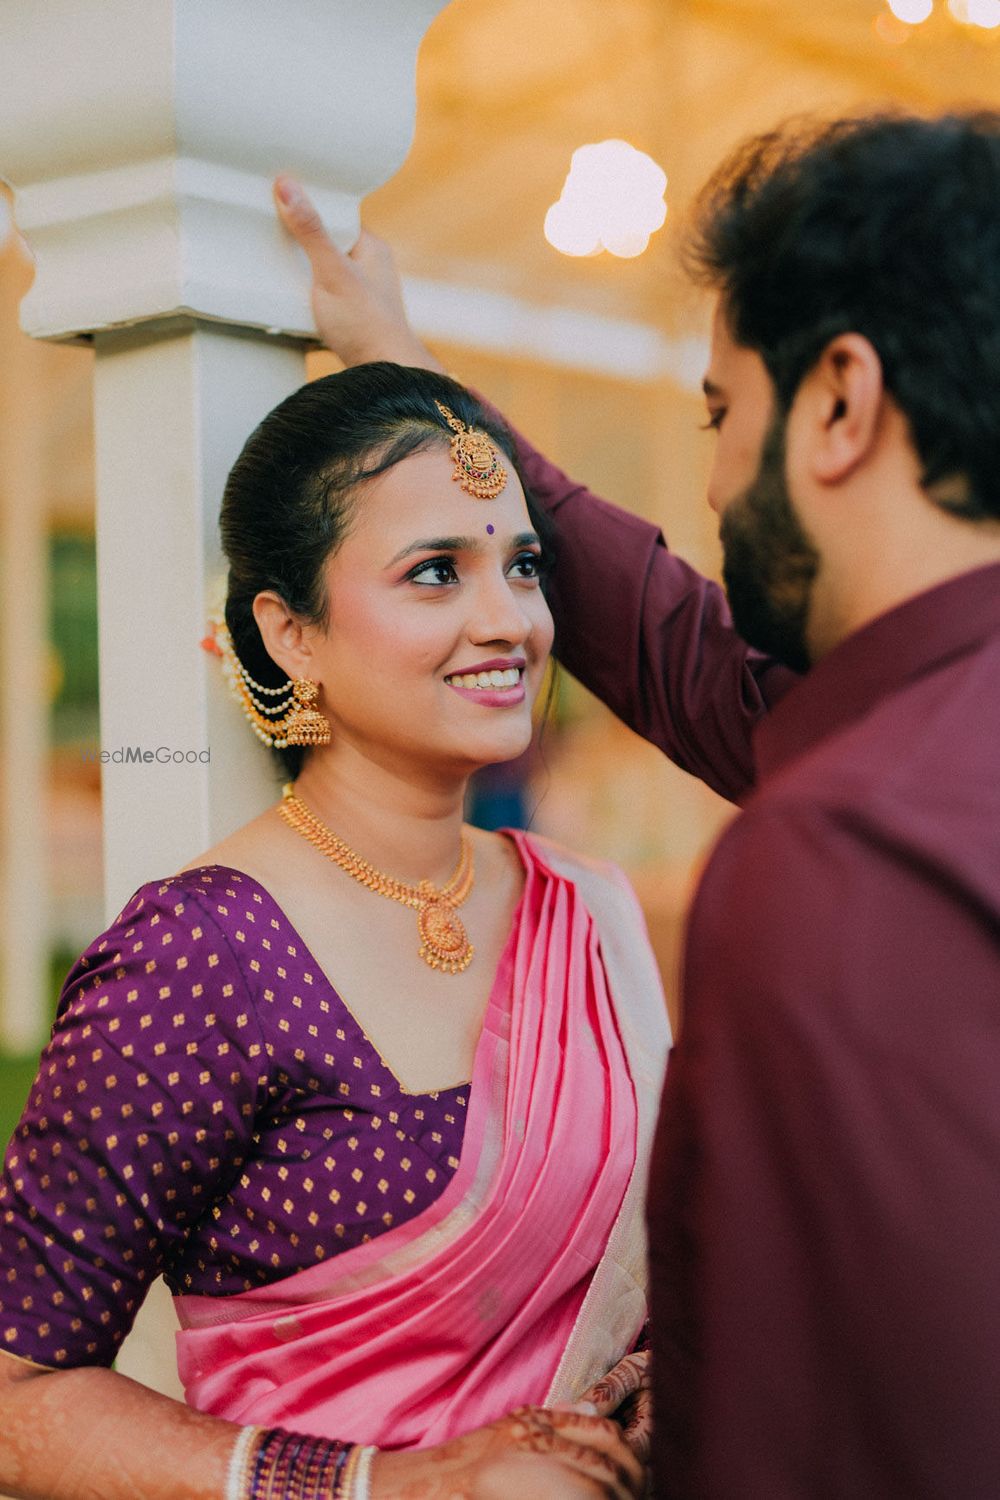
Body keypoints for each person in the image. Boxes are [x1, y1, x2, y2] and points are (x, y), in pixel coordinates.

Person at [275, 108, 1000, 1498]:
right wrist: (421, 390)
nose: (716, 474)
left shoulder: (842, 847)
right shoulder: (894, 731)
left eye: (723, 414)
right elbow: (697, 660)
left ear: (840, 402)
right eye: (436, 572)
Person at [0, 363, 667, 1499]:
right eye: (434, 574)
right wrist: (387, 1484)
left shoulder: (590, 908)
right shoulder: (200, 957)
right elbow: (19, 1401)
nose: (507, 620)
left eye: (521, 566)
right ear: (291, 633)